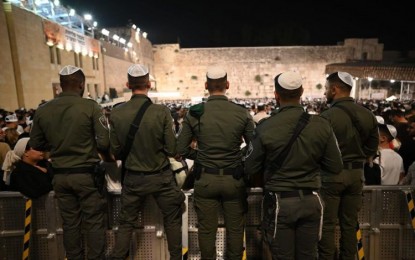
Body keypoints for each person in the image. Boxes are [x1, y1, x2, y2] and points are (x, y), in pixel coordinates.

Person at [244, 71, 343, 259]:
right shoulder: (321, 125)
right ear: (302, 92)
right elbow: (335, 166)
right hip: (312, 201)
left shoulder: (266, 127)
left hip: (281, 203)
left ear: (276, 95)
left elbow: (249, 167)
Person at [29, 65, 111, 260]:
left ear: (61, 85)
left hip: (60, 176)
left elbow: (36, 144)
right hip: (86, 175)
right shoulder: (91, 107)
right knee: (93, 222)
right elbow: (104, 142)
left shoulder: (43, 110)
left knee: (70, 224)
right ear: (82, 85)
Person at [177, 64, 255, 260]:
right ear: (227, 84)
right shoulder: (241, 113)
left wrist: (201, 157)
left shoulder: (195, 113)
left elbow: (180, 149)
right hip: (234, 180)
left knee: (206, 231)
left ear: (206, 86)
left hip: (206, 179)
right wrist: (237, 156)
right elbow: (255, 148)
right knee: (236, 230)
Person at [109, 64, 184, 260]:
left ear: (127, 85)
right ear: (149, 84)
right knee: (172, 219)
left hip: (133, 179)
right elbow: (171, 149)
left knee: (126, 223)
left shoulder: (116, 113)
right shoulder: (161, 112)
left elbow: (115, 152)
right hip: (161, 179)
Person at [318, 71, 379, 260]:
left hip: (332, 176)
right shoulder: (368, 115)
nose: (325, 93)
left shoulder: (326, 116)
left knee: (327, 225)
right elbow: (372, 146)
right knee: (350, 224)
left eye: (327, 89)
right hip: (356, 175)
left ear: (335, 89)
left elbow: (318, 148)